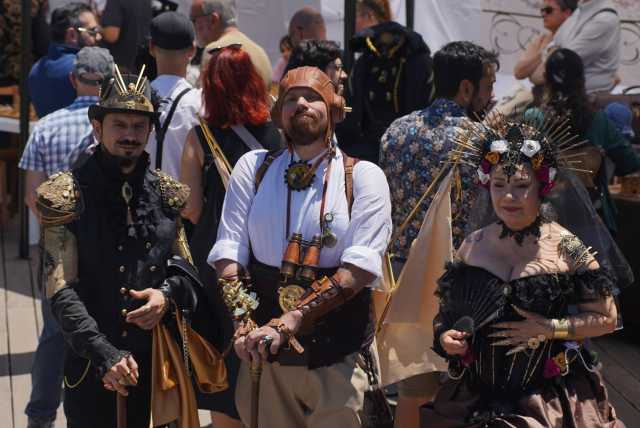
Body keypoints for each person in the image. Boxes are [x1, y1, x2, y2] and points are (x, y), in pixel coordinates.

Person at [209, 66, 392, 427]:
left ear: (334, 111)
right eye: (292, 98)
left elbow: (359, 269)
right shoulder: (253, 167)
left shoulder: (364, 176)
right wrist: (243, 322)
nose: (302, 104)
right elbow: (229, 251)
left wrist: (293, 318)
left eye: (313, 97)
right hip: (266, 356)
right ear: (279, 114)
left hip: (337, 358)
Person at [36, 68, 214, 427]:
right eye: (120, 125)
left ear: (149, 131)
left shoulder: (167, 193)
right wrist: (105, 354)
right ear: (98, 127)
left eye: (138, 126)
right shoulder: (66, 195)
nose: (130, 135)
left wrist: (165, 295)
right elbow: (60, 291)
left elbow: (185, 269)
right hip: (92, 364)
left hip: (159, 369)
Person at [423, 115, 625, 427]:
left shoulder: (568, 246)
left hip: (545, 401)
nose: (507, 197)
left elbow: (607, 319)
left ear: (541, 187)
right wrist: (446, 337)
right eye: (498, 185)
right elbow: (447, 314)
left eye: (521, 186)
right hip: (474, 396)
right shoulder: (473, 244)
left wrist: (550, 328)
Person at [378, 41, 498, 428]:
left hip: (402, 274)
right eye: (487, 85)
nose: (490, 95)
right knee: (458, 390)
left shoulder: (396, 130)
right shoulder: (480, 141)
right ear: (466, 88)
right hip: (457, 279)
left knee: (412, 389)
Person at [180, 44, 282, 428]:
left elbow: (189, 206)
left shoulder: (200, 134)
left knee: (222, 343)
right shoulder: (277, 135)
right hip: (266, 255)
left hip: (216, 255)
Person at [19, 46, 113, 428]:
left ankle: (40, 417)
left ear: (74, 79)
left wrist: (58, 230)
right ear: (109, 82)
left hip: (59, 246)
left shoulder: (45, 126)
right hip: (108, 245)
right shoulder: (116, 126)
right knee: (103, 327)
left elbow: (32, 196)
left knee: (54, 334)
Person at [534, 48, 640, 234]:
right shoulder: (599, 121)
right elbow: (629, 163)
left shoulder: (533, 118)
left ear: (546, 79)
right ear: (582, 80)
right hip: (590, 223)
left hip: (542, 223)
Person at [336, 0, 434, 164]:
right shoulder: (365, 61)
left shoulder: (418, 63)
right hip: (380, 150)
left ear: (369, 15)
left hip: (406, 149)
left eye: (357, 17)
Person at [145, 11, 202, 179]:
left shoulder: (134, 98)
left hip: (139, 202)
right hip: (186, 203)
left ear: (151, 48)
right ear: (192, 50)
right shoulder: (200, 104)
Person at [28, 2, 102, 117]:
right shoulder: (88, 69)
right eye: (93, 31)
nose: (98, 37)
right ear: (72, 35)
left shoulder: (36, 69)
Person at [192, 0, 272, 89]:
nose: (192, 26)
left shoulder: (214, 51)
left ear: (213, 20)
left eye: (194, 20)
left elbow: (205, 99)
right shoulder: (260, 52)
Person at [549, 0, 621, 93]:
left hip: (586, 99)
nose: (544, 14)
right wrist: (554, 52)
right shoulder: (580, 10)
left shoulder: (604, 19)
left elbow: (565, 61)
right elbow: (552, 46)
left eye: (548, 10)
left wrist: (554, 52)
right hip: (568, 93)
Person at [513, 0, 576, 86]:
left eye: (548, 10)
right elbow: (518, 72)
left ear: (567, 13)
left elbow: (543, 76)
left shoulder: (574, 39)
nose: (543, 14)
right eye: (542, 10)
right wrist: (544, 52)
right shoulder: (542, 39)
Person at [101, 0, 152, 72]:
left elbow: (111, 36)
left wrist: (98, 29)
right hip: (141, 66)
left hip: (120, 69)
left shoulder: (115, 2)